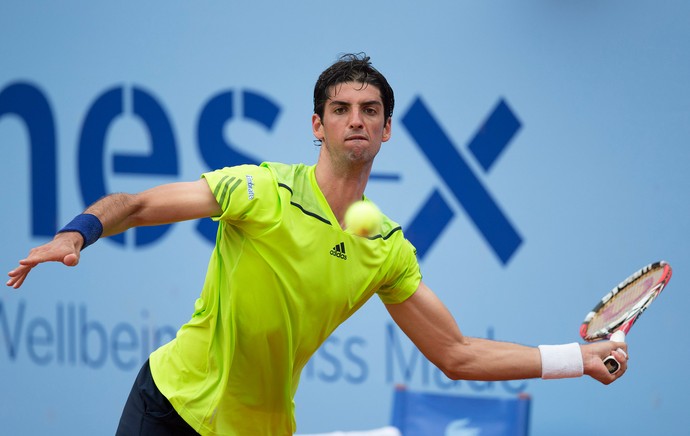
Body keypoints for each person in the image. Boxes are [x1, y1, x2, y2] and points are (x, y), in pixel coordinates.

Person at [6, 53, 628, 436]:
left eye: (369, 109)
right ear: (317, 125)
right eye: (340, 108)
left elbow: (457, 354)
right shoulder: (258, 189)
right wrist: (76, 232)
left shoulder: (385, 247)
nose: (355, 118)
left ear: (386, 130)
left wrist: (577, 358)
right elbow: (138, 205)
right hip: (167, 407)